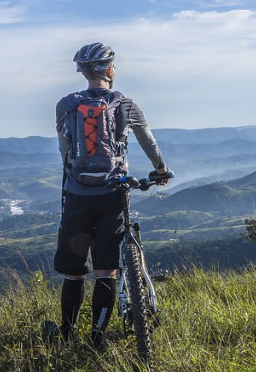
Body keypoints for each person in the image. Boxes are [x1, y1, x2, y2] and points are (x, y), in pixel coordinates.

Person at [48, 42, 169, 347]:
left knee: (74, 274)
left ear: (83, 71)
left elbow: (64, 148)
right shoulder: (126, 104)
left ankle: (64, 335)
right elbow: (148, 142)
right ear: (110, 69)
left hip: (76, 194)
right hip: (113, 194)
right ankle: (97, 338)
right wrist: (160, 169)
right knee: (106, 270)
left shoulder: (65, 104)